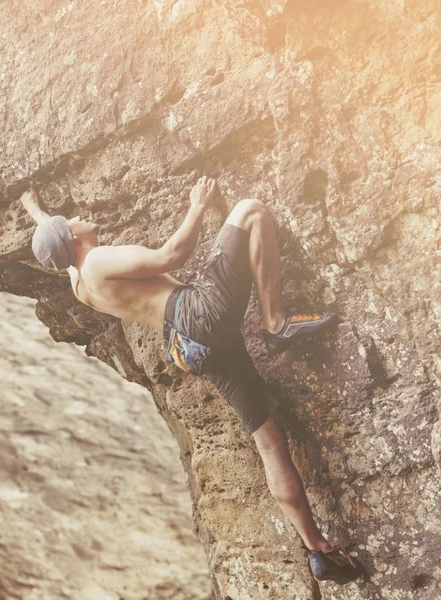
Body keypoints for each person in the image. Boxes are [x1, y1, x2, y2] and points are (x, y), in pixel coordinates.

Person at [20, 177, 363, 585]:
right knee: (251, 210)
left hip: (188, 347)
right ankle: (276, 323)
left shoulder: (80, 284)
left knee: (268, 440)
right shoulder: (96, 261)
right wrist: (197, 207)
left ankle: (316, 548)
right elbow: (171, 255)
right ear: (73, 237)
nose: (76, 216)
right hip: (197, 312)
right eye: (69, 220)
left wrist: (38, 214)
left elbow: (57, 249)